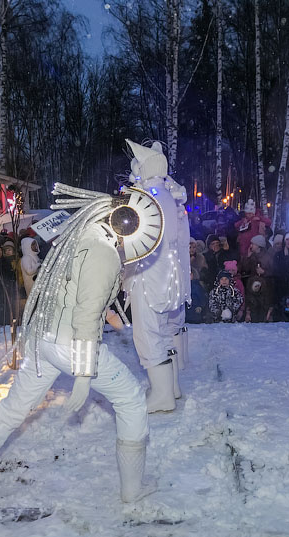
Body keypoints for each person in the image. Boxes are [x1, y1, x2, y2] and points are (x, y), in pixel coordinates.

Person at [0, 182, 161, 504]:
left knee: (12, 409)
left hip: (43, 341)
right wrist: (84, 375)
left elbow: (70, 295)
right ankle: (132, 491)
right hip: (72, 345)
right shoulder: (103, 253)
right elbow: (86, 314)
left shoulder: (76, 240)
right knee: (130, 398)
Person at [121, 140, 191, 414]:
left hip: (148, 277)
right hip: (167, 276)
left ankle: (162, 396)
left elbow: (135, 243)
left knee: (148, 335)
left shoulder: (147, 199)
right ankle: (170, 388)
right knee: (162, 332)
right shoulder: (168, 196)